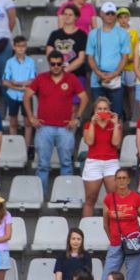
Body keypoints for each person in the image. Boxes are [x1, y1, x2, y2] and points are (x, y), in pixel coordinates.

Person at [25, 51, 87, 195]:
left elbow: (84, 98)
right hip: (44, 128)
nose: (56, 66)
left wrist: (77, 118)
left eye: (59, 63)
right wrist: (31, 117)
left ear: (62, 63)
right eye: (53, 64)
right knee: (42, 166)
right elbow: (27, 96)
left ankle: (65, 196)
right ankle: (40, 197)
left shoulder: (71, 78)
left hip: (65, 128)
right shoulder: (41, 78)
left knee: (66, 164)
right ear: (49, 63)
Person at [84, 97, 123, 216]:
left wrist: (115, 124)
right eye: (99, 108)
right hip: (93, 162)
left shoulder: (116, 124)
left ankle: (115, 228)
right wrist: (92, 123)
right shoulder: (88, 124)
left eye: (105, 108)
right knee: (90, 199)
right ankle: (85, 230)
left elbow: (116, 143)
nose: (102, 111)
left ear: (109, 110)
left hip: (111, 162)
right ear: (95, 110)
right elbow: (89, 141)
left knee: (114, 198)